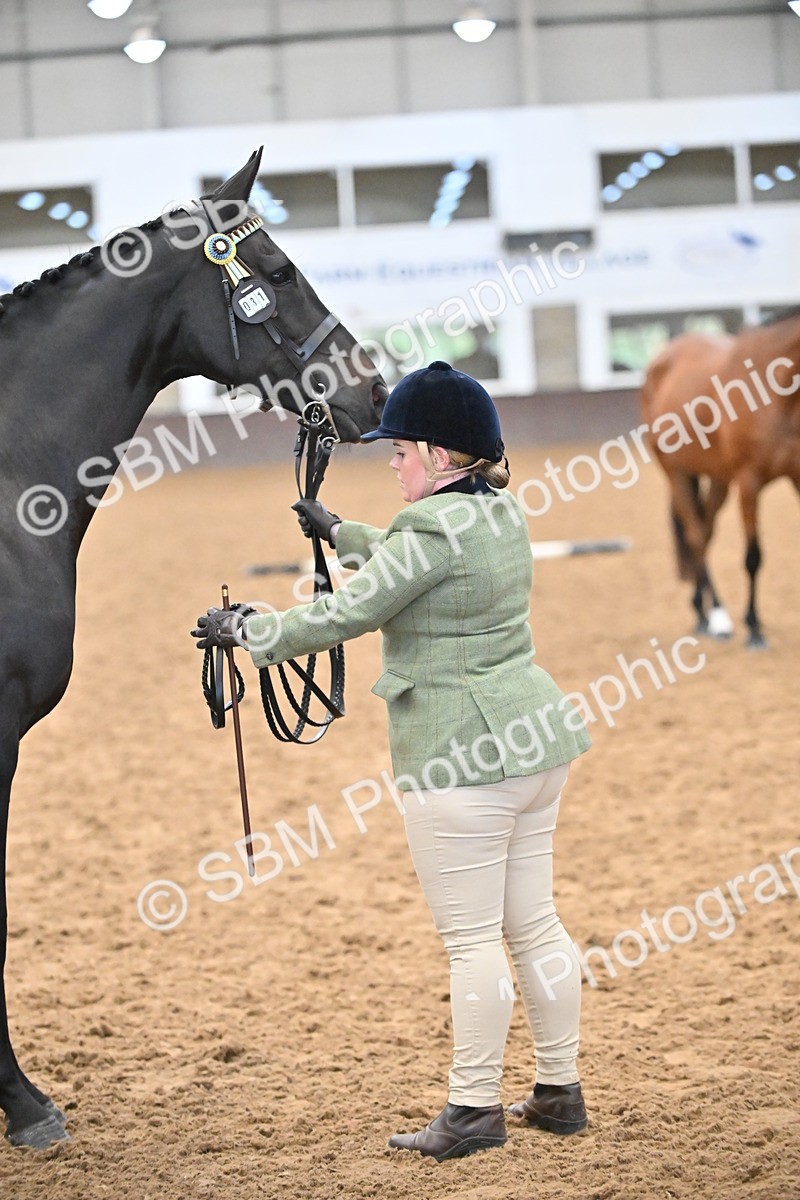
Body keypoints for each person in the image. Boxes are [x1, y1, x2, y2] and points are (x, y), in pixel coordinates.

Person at [191, 361, 591, 1163]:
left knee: (472, 939)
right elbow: (425, 560)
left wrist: (249, 631)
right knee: (534, 923)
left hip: (460, 757)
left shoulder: (426, 531)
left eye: (401, 452)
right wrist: (343, 533)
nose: (393, 464)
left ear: (442, 457)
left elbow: (348, 614)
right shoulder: (499, 512)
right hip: (533, 743)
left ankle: (474, 1109)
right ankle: (558, 1090)